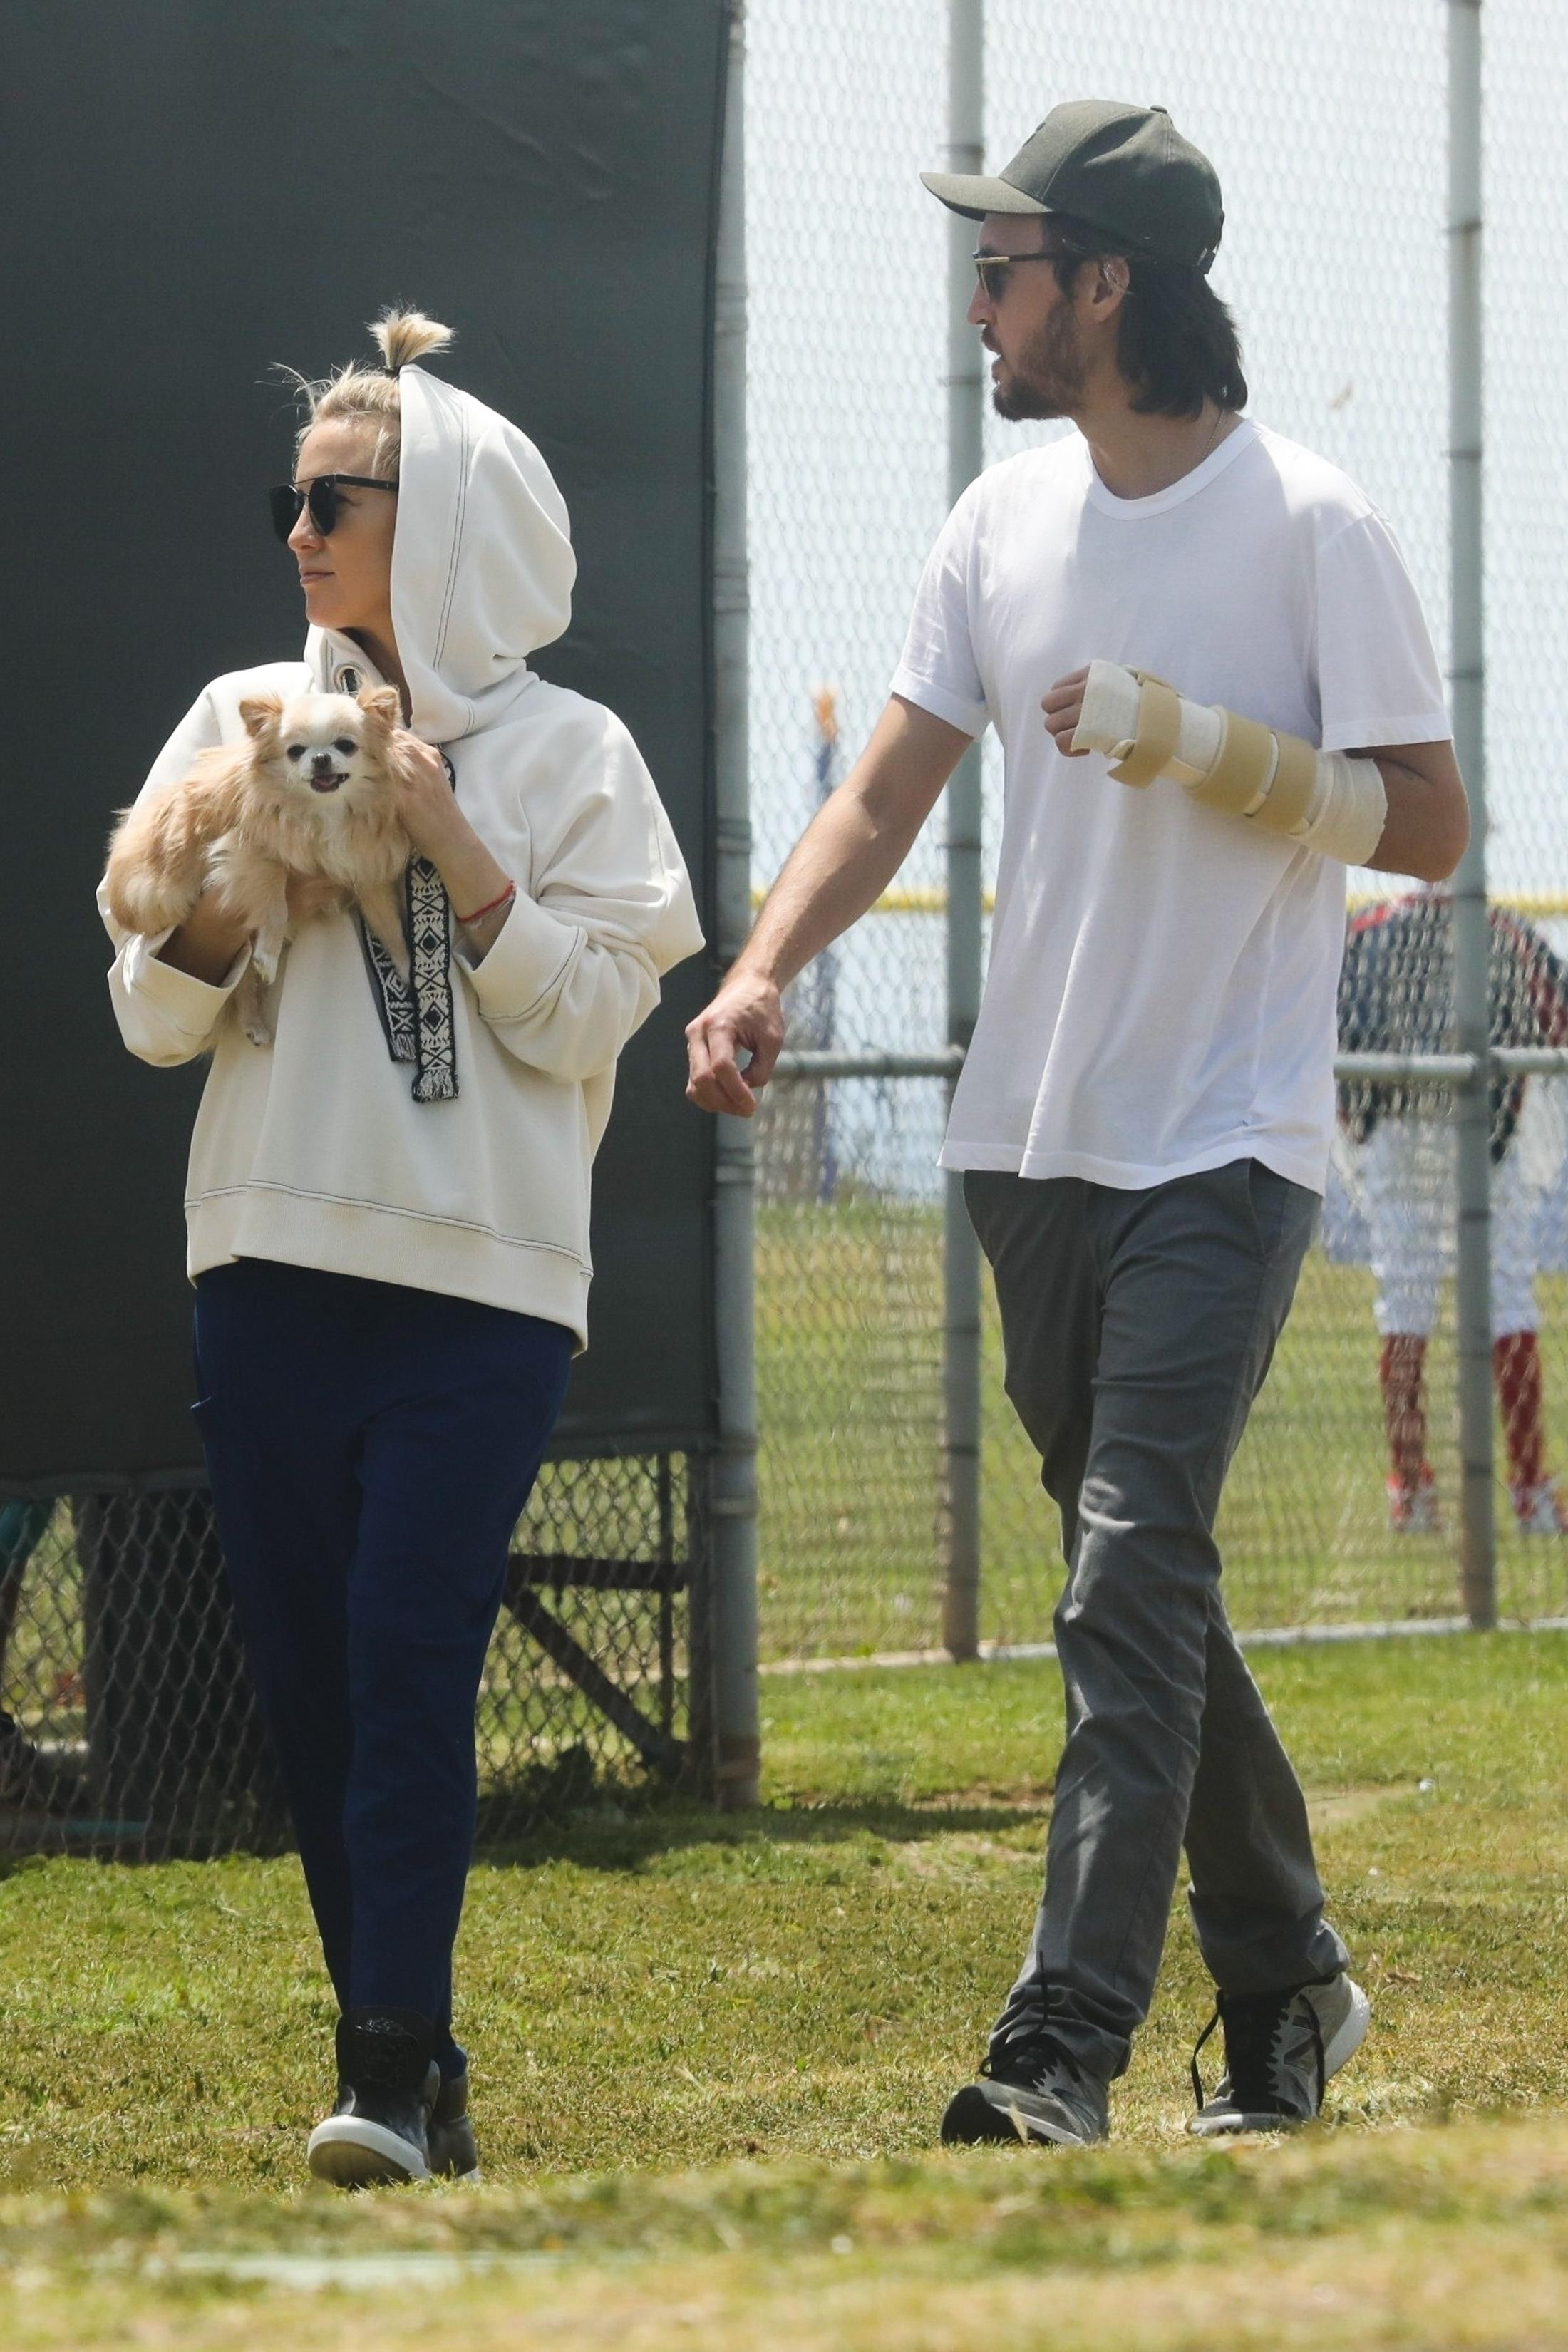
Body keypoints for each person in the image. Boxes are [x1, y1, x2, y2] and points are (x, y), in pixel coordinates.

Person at [686, 99, 1468, 2146]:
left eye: (1007, 267)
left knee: (1126, 1585)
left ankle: (1062, 2046)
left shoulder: (1313, 522)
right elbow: (883, 795)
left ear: (1106, 284)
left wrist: (1215, 753)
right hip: (1026, 1144)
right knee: (1154, 1591)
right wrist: (762, 967)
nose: (980, 305)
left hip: (1227, 1139)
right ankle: (1293, 1977)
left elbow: (1438, 825)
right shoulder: (995, 526)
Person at [103, 309, 702, 2185]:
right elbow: (150, 1020)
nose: (298, 528)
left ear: (438, 518)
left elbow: (589, 1018)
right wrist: (224, 892)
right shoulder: (241, 716)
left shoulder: (570, 749)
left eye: (338, 497)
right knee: (306, 1673)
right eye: (289, 498)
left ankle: (376, 2060)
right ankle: (414, 2066)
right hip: (266, 1262)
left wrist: (449, 832)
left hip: (481, 1290)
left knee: (406, 1646)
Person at [1337, 893, 1568, 1533]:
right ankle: (1530, 1491)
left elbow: (1330, 1024)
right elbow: (1557, 1018)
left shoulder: (1368, 930)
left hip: (1396, 1133)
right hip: (1482, 1133)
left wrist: (1356, 1120)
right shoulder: (1500, 929)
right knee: (1507, 1295)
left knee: (1404, 1301)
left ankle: (1411, 1492)